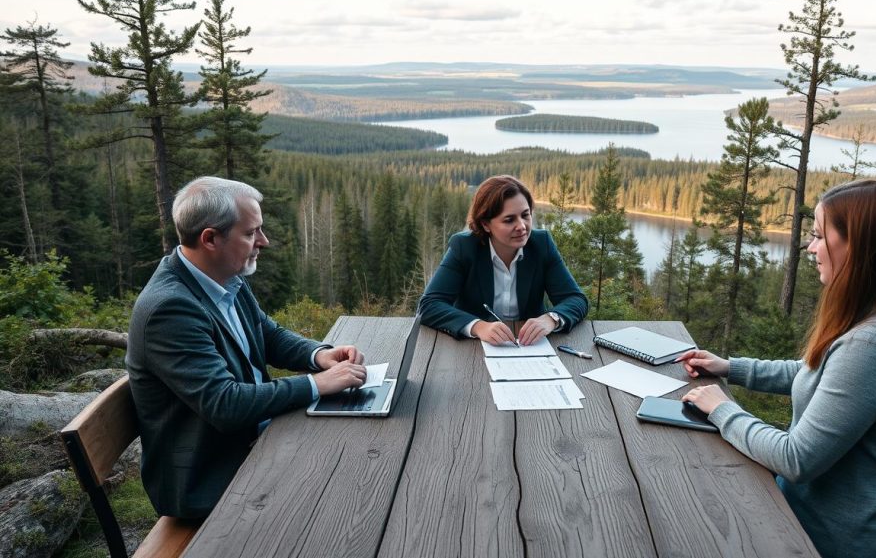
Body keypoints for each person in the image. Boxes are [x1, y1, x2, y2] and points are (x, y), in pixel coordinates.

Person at [678, 179, 876, 558]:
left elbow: (795, 460)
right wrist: (731, 368)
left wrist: (721, 409)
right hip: (828, 525)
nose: (811, 247)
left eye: (819, 235)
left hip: (833, 542)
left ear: (864, 248)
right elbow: (816, 373)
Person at [126, 176, 368, 519]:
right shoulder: (169, 310)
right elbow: (225, 405)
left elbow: (266, 333)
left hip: (253, 439)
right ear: (210, 238)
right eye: (250, 232)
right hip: (210, 475)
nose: (263, 242)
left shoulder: (223, 278)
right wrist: (317, 384)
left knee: (357, 455)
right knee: (347, 489)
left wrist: (318, 355)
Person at [419, 175, 588, 345]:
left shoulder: (541, 245)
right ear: (486, 224)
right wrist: (478, 326)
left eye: (525, 215)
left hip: (530, 347)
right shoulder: (464, 247)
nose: (522, 226)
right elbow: (429, 305)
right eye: (509, 220)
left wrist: (551, 319)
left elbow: (576, 299)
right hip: (471, 348)